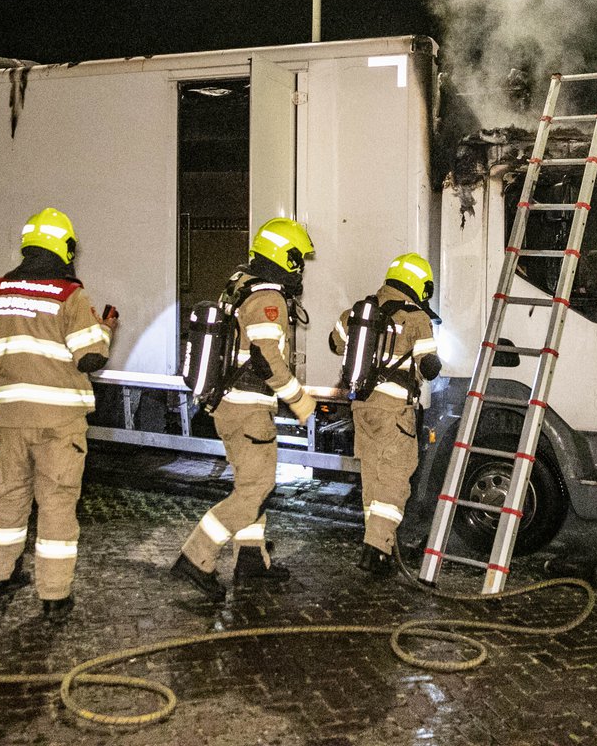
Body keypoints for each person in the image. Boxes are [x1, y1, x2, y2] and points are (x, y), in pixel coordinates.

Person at [0, 207, 119, 623]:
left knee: (8, 497)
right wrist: (106, 328)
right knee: (56, 504)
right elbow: (91, 357)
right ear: (63, 248)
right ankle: (54, 595)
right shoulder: (69, 296)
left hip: (12, 420)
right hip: (60, 423)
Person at [172, 217, 317, 599]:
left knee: (250, 485)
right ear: (285, 257)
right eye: (298, 259)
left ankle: (250, 558)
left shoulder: (240, 287)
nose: (300, 268)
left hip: (230, 406)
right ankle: (197, 556)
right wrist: (299, 400)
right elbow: (267, 359)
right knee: (256, 489)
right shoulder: (268, 297)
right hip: (249, 410)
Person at [330, 252, 442, 577]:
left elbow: (335, 343)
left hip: (361, 407)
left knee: (374, 479)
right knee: (394, 482)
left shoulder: (359, 311)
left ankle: (381, 546)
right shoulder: (416, 318)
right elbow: (429, 367)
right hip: (394, 412)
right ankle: (376, 549)